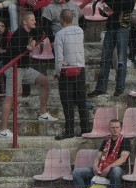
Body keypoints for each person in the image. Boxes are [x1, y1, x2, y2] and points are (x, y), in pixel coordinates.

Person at [0, 11, 56, 138]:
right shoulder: (19, 33)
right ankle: (3, 130)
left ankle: (43, 113)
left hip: (24, 68)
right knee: (10, 98)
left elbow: (39, 32)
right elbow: (13, 51)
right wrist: (26, 48)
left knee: (45, 81)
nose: (34, 21)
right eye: (31, 20)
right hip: (14, 68)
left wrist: (34, 41)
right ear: (24, 22)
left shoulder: (30, 30)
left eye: (34, 19)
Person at [72, 119, 132, 188]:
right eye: (112, 127)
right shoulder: (106, 141)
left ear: (120, 128)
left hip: (117, 169)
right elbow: (98, 156)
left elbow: (123, 159)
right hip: (102, 168)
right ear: (109, 129)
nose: (115, 129)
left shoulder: (125, 141)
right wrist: (95, 166)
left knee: (116, 171)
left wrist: (109, 167)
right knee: (76, 172)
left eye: (117, 127)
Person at [53, 8, 89, 139]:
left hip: (66, 71)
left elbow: (59, 57)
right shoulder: (80, 31)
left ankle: (69, 131)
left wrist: (58, 72)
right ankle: (85, 129)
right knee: (81, 101)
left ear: (61, 19)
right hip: (80, 69)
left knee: (67, 102)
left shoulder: (60, 34)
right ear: (73, 18)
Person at [89, 0, 135, 97]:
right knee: (104, 59)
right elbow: (106, 11)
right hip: (110, 27)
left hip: (123, 27)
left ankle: (119, 89)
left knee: (121, 61)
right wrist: (106, 9)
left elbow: (128, 7)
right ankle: (101, 88)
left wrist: (110, 5)